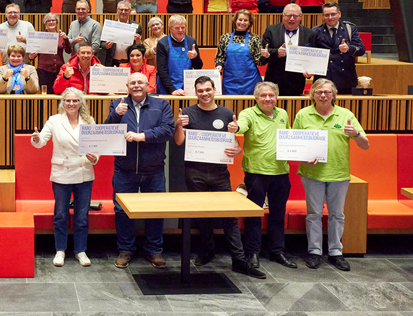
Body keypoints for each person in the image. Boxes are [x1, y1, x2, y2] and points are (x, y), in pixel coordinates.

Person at [173, 76, 266, 279]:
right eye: (200, 90)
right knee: (202, 215)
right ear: (195, 93)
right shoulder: (187, 113)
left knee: (229, 216)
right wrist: (179, 125)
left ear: (214, 90)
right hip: (194, 171)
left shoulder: (226, 114)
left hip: (219, 173)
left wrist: (236, 149)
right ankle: (208, 250)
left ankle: (239, 260)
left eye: (208, 89)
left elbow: (235, 145)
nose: (204, 93)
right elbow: (179, 142)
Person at [294, 78, 369, 271]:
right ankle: (315, 252)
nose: (323, 95)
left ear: (334, 94)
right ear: (312, 94)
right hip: (312, 173)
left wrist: (356, 134)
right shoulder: (303, 114)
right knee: (314, 214)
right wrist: (304, 157)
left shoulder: (346, 114)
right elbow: (294, 146)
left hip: (339, 173)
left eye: (327, 92)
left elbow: (365, 145)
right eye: (319, 92)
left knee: (337, 215)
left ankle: (336, 252)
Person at [106, 72, 174, 268]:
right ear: (127, 86)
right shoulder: (117, 104)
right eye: (132, 83)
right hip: (124, 169)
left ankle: (154, 250)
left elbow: (168, 130)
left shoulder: (161, 105)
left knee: (155, 210)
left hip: (154, 169)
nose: (136, 86)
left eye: (140, 82)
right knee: (122, 211)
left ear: (148, 86)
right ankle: (125, 249)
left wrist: (141, 136)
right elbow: (108, 131)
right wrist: (115, 114)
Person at [31, 87, 98, 266]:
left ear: (80, 103)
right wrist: (36, 139)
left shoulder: (89, 120)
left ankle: (80, 251)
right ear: (63, 102)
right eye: (68, 100)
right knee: (60, 214)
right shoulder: (54, 120)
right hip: (62, 173)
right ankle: (60, 250)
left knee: (82, 215)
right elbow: (41, 141)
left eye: (75, 100)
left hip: (84, 172)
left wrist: (95, 158)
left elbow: (96, 147)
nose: (71, 104)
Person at [235, 82, 297, 269]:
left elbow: (289, 138)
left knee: (278, 214)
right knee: (254, 214)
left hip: (280, 171)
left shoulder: (283, 114)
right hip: (256, 172)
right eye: (263, 96)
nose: (267, 99)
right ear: (256, 98)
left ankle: (277, 251)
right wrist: (234, 127)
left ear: (276, 97)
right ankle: (253, 252)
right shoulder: (248, 114)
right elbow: (241, 127)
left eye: (271, 95)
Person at [310, 2, 365, 94]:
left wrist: (348, 48)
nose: (330, 17)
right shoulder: (316, 31)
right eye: (327, 15)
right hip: (324, 80)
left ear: (339, 14)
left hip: (345, 79)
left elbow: (361, 49)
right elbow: (310, 54)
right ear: (323, 16)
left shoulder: (350, 28)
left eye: (333, 14)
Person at [259, 3, 314, 95]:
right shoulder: (271, 30)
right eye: (288, 15)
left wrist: (309, 71)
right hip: (274, 78)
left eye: (295, 16)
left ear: (301, 16)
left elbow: (312, 57)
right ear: (283, 15)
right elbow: (264, 52)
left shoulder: (309, 33)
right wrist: (277, 52)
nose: (292, 19)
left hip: (297, 80)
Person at [215, 10, 263, 95]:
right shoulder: (225, 37)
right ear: (235, 21)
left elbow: (259, 61)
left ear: (249, 23)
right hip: (230, 81)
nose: (242, 22)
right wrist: (219, 66)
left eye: (245, 20)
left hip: (250, 81)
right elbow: (220, 57)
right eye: (240, 19)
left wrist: (265, 56)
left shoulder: (254, 38)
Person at [155, 15, 202, 95]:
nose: (180, 30)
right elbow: (162, 70)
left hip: (186, 86)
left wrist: (195, 57)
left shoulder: (191, 41)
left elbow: (198, 67)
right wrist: (172, 90)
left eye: (183, 27)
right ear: (170, 28)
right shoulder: (163, 43)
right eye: (177, 28)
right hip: (167, 88)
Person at [27, 13, 71, 94]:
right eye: (48, 21)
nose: (51, 22)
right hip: (44, 70)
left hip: (59, 70)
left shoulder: (61, 36)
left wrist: (66, 39)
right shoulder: (39, 37)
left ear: (57, 22)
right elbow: (32, 55)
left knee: (59, 93)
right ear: (45, 23)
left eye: (53, 20)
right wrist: (31, 56)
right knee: (46, 94)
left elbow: (69, 51)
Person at [100, 0, 142, 67]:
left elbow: (140, 48)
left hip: (130, 62)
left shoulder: (136, 26)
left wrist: (138, 42)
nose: (123, 12)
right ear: (117, 10)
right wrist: (106, 45)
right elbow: (102, 44)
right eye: (121, 9)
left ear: (130, 11)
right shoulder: (110, 25)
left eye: (126, 10)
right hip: (112, 62)